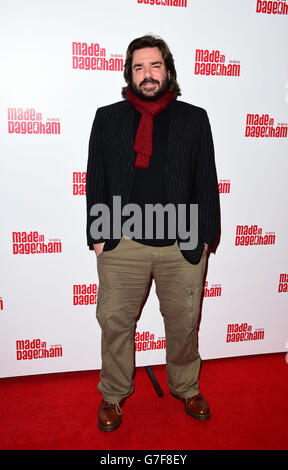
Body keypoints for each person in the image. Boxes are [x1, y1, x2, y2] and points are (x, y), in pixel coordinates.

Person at [86, 35, 220, 432]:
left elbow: (206, 181)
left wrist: (206, 237)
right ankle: (112, 395)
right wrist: (97, 235)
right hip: (121, 242)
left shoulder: (194, 118)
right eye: (139, 67)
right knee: (114, 323)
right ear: (129, 72)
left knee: (183, 322)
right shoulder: (107, 117)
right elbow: (97, 178)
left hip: (181, 243)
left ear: (167, 71)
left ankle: (186, 386)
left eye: (155, 66)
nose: (147, 74)